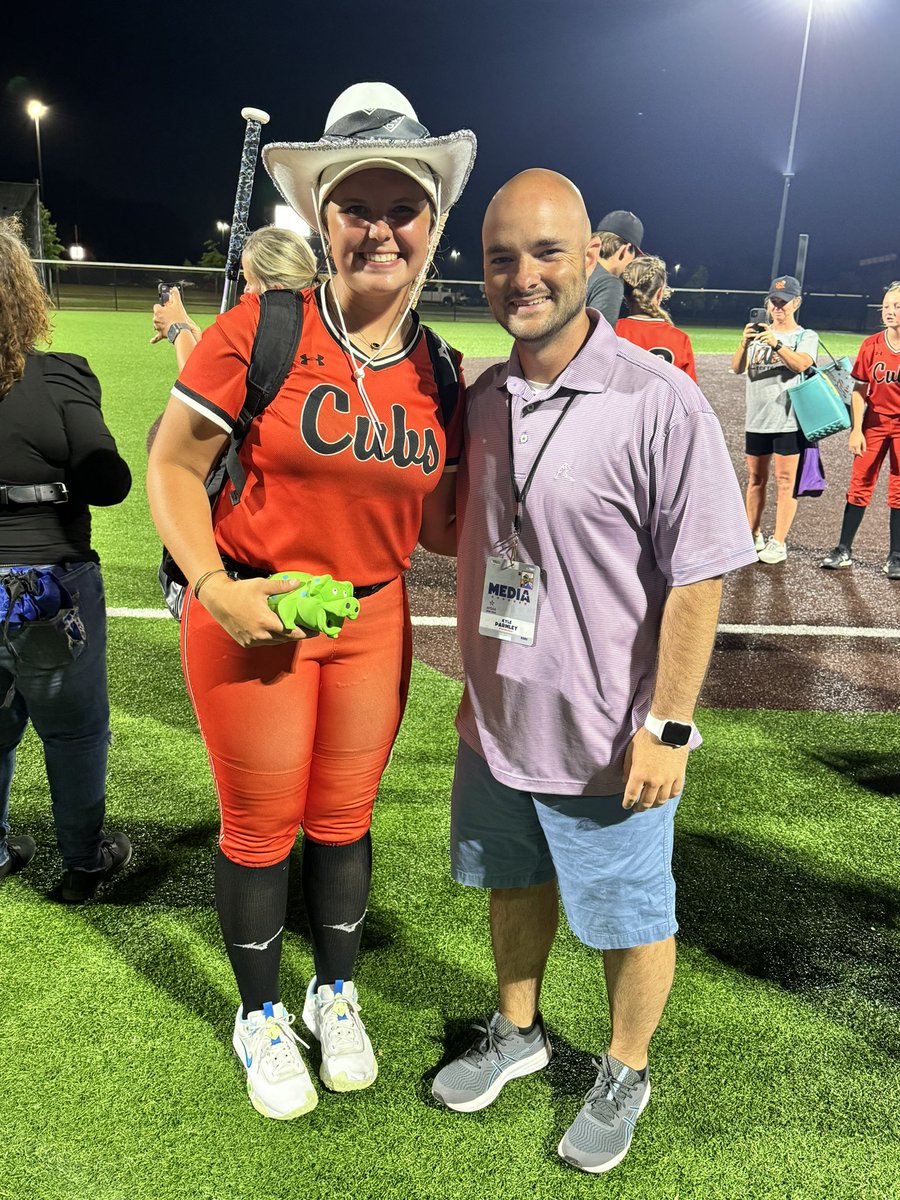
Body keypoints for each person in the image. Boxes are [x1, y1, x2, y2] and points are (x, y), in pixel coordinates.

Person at [146, 82, 475, 1121]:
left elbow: (435, 532)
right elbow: (168, 468)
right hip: (253, 609)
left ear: (431, 225)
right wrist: (212, 587)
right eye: (356, 206)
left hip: (375, 621)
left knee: (342, 822)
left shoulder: (444, 372)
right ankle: (259, 1015)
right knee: (259, 829)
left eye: (402, 207)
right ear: (323, 217)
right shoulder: (262, 325)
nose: (380, 228)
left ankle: (335, 993)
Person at [430, 170, 757, 1174]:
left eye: (544, 253)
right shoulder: (484, 398)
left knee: (628, 916)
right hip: (498, 721)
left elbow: (701, 573)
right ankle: (519, 1031)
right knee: (511, 881)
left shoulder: (657, 401)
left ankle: (625, 1069)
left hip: (614, 735)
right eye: (501, 258)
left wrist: (669, 725)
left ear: (589, 260)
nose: (523, 275)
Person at [0, 216, 132, 900]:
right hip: (45, 585)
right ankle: (83, 862)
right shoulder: (57, 380)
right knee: (75, 733)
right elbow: (108, 482)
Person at [730, 275, 818, 564]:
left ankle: (778, 542)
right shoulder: (758, 333)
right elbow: (736, 368)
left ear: (797, 302)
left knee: (784, 481)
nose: (778, 307)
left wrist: (777, 344)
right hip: (756, 419)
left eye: (784, 302)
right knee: (755, 479)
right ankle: (751, 534)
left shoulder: (805, 336)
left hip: (787, 420)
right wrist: (744, 343)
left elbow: (802, 363)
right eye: (774, 301)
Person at [151, 226, 318, 372]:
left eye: (250, 282)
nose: (245, 290)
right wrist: (199, 339)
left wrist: (177, 328)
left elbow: (197, 381)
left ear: (276, 292)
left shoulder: (249, 325)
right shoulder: (325, 320)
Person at [821, 282, 900, 579]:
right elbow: (858, 390)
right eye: (887, 305)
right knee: (860, 483)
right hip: (875, 422)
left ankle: (896, 556)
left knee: (899, 490)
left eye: (897, 306)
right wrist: (857, 429)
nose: (890, 311)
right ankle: (843, 549)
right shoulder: (871, 345)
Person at [616, 255, 697, 381]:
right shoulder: (679, 339)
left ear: (625, 295)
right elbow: (689, 394)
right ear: (660, 293)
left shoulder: (609, 330)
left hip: (616, 401)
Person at [585, 209, 645, 327]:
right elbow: (599, 342)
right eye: (634, 254)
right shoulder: (609, 283)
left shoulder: (574, 267)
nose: (633, 260)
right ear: (625, 249)